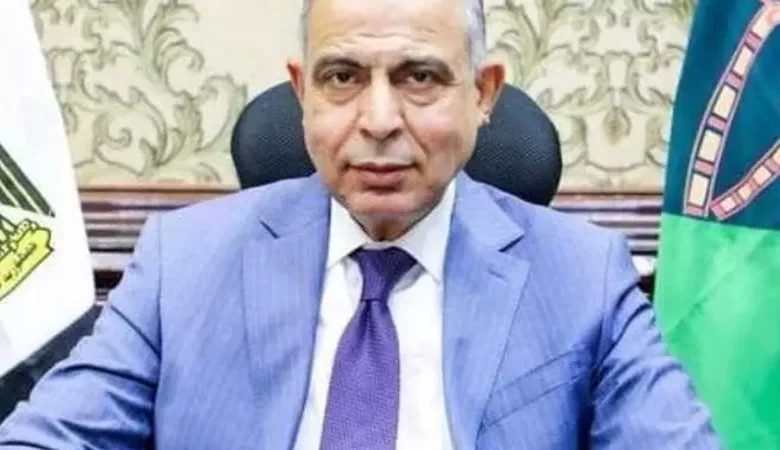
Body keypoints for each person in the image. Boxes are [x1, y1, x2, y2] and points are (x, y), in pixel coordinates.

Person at [0, 0, 721, 448]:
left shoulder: (583, 276)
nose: (378, 121)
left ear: (482, 93)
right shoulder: (182, 262)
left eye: (419, 77)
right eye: (342, 77)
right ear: (302, 93)